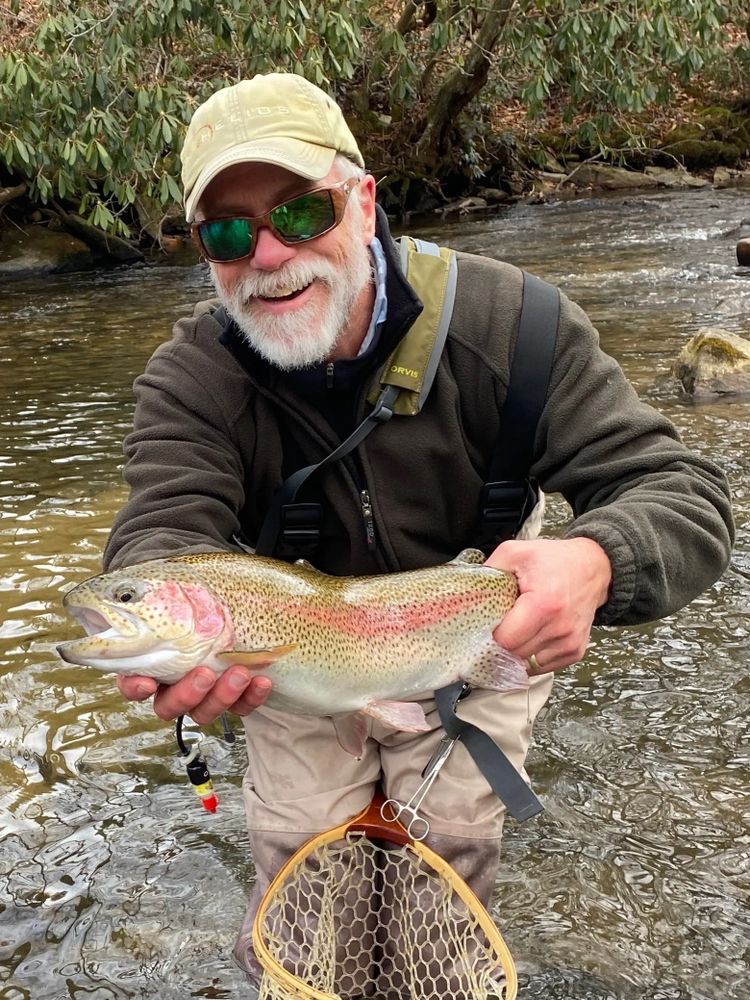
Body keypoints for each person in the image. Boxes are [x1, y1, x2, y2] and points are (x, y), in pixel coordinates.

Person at [104, 72, 734, 992]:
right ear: (206, 252)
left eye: (301, 213)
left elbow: (681, 491)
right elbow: (161, 527)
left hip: (470, 631)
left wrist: (596, 563)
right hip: (291, 658)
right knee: (306, 870)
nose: (269, 254)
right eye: (230, 232)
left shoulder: (519, 329)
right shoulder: (191, 379)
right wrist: (169, 635)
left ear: (362, 203)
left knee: (447, 855)